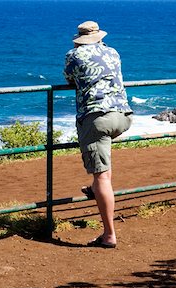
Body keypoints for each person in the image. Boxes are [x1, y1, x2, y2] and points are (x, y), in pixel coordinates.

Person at [64, 21, 133, 248]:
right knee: (103, 170)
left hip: (97, 118)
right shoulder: (113, 52)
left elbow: (70, 79)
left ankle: (109, 235)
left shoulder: (74, 55)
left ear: (80, 38)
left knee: (101, 176)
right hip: (123, 117)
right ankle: (96, 189)